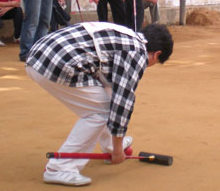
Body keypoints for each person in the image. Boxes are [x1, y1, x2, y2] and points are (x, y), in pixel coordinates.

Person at [25, 22, 173, 187]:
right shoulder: (137, 52)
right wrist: (118, 150)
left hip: (38, 56)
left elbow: (110, 89)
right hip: (57, 63)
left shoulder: (126, 36)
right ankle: (60, 168)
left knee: (103, 103)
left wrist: (114, 145)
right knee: (99, 113)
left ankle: (108, 145)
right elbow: (122, 101)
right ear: (157, 54)